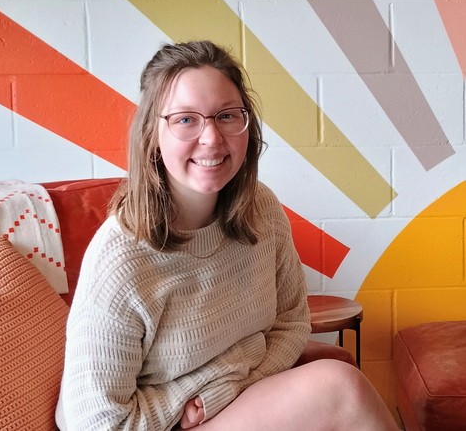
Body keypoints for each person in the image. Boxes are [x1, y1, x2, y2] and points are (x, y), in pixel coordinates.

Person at [56, 40, 398, 430]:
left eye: (227, 116)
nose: (212, 138)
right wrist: (187, 401)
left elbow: (291, 322)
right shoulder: (120, 259)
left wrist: (220, 389)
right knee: (341, 389)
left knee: (343, 388)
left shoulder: (261, 209)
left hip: (228, 405)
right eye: (186, 119)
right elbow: (95, 423)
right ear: (152, 133)